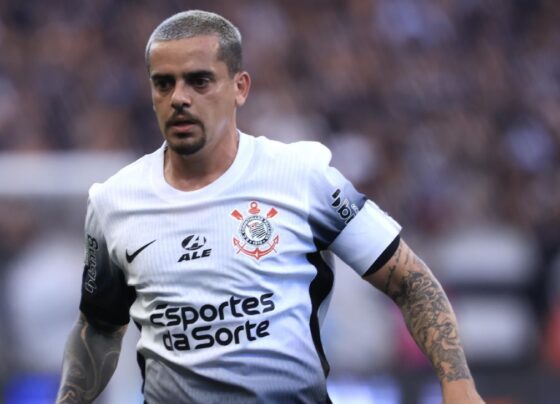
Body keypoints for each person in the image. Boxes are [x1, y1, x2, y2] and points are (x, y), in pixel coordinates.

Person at [56, 9, 484, 404]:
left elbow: (410, 281)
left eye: (199, 81)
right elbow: (99, 328)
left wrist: (458, 386)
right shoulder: (114, 201)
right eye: (163, 83)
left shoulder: (302, 178)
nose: (179, 98)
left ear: (240, 88)